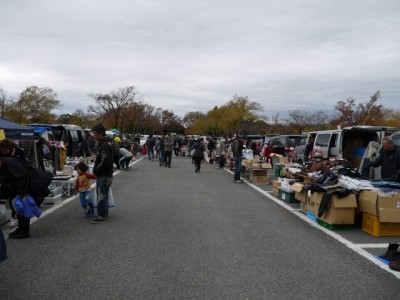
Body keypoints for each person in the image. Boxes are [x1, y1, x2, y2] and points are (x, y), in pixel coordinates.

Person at [0, 157, 31, 238]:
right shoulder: (5, 164)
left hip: (19, 191)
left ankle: (24, 231)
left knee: (21, 210)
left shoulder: (9, 163)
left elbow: (23, 176)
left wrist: (21, 191)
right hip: (15, 190)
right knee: (18, 210)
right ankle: (21, 229)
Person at [0, 138, 27, 228]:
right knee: (10, 201)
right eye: (2, 151)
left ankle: (17, 219)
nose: (3, 152)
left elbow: (23, 167)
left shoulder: (19, 152)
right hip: (5, 181)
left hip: (17, 181)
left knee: (15, 201)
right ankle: (15, 218)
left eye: (5, 150)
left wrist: (12, 157)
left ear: (11, 148)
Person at [90, 124, 114, 224]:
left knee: (101, 194)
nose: (94, 136)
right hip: (107, 174)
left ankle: (101, 215)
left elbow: (104, 161)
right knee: (104, 194)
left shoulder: (104, 145)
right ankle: (104, 213)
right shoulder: (107, 143)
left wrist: (96, 170)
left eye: (95, 134)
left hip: (104, 174)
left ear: (100, 133)